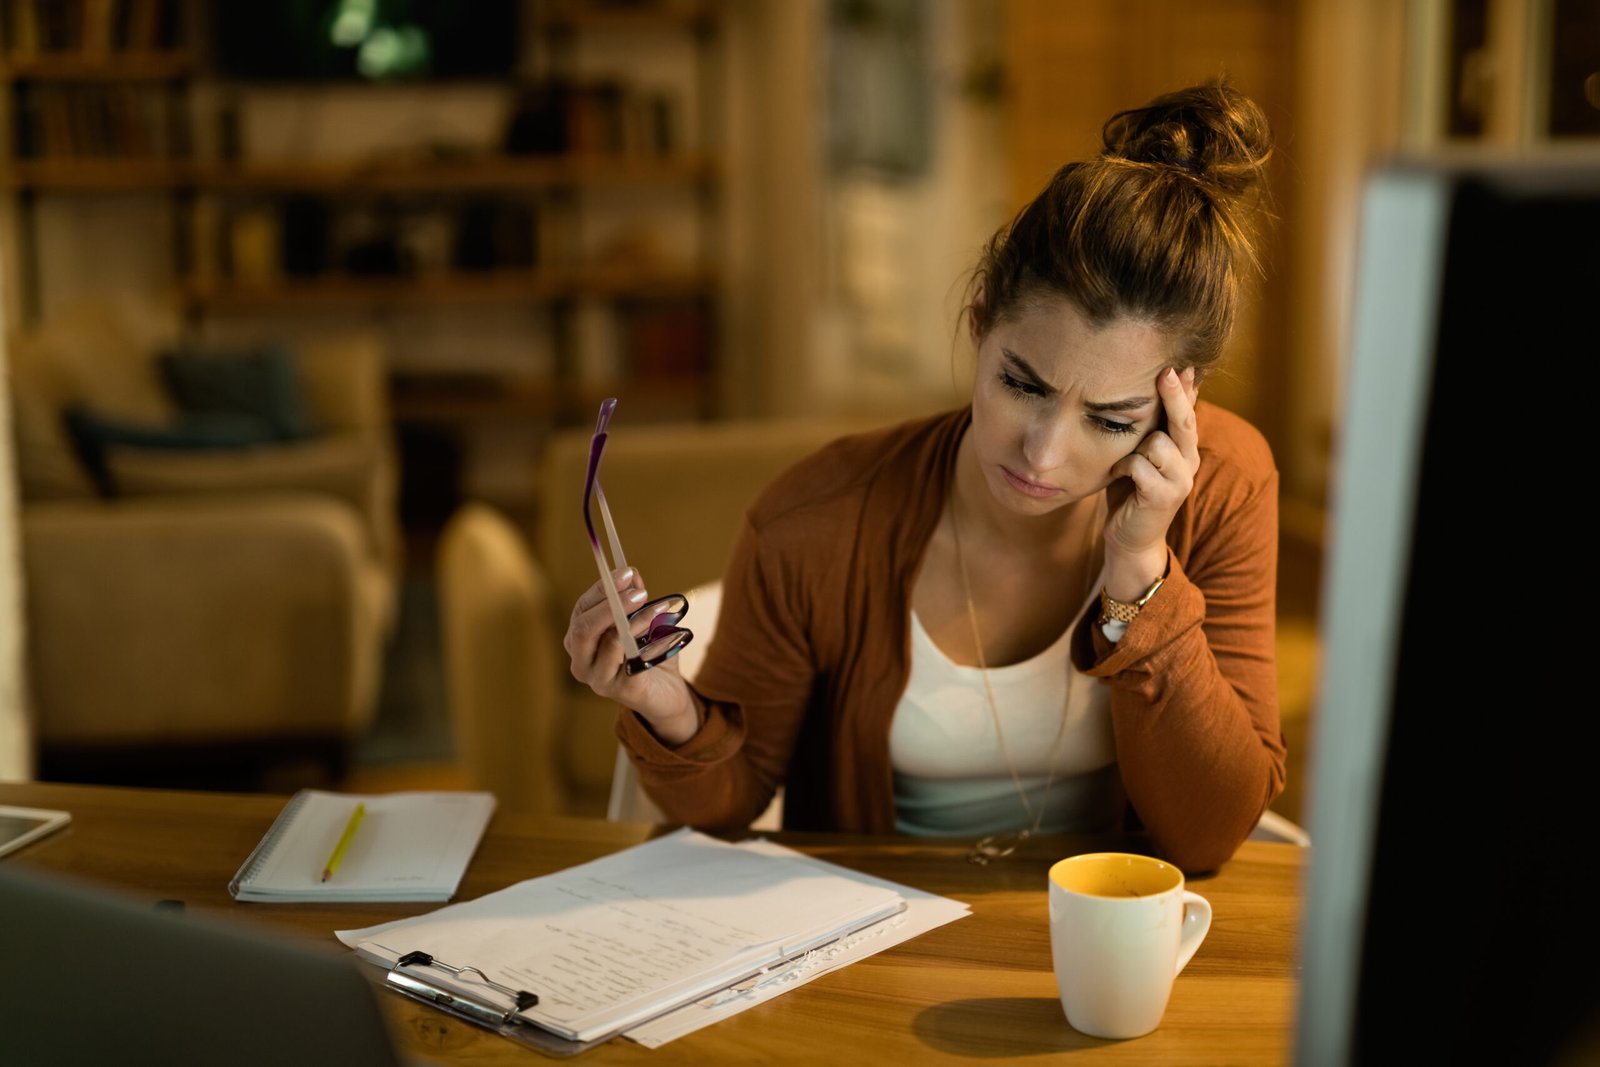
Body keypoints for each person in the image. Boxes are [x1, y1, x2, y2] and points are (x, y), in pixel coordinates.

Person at [565, 79, 1285, 873]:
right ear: (978, 321)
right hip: (879, 923)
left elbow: (1208, 835)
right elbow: (731, 804)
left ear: (1181, 400)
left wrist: (1141, 573)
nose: (1043, 454)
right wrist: (667, 708)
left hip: (1103, 922)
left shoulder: (1223, 485)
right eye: (1021, 384)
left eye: (1110, 421)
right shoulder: (817, 518)